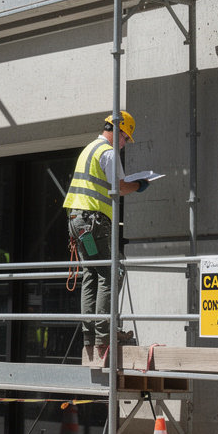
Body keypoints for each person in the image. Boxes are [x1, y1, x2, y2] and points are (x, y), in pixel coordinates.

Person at [64, 112, 152, 368]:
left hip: (79, 223)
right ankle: (104, 336)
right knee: (112, 272)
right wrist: (140, 185)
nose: (124, 144)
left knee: (92, 273)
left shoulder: (89, 149)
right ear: (117, 131)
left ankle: (90, 336)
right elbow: (120, 187)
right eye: (125, 138)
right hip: (93, 222)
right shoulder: (108, 153)